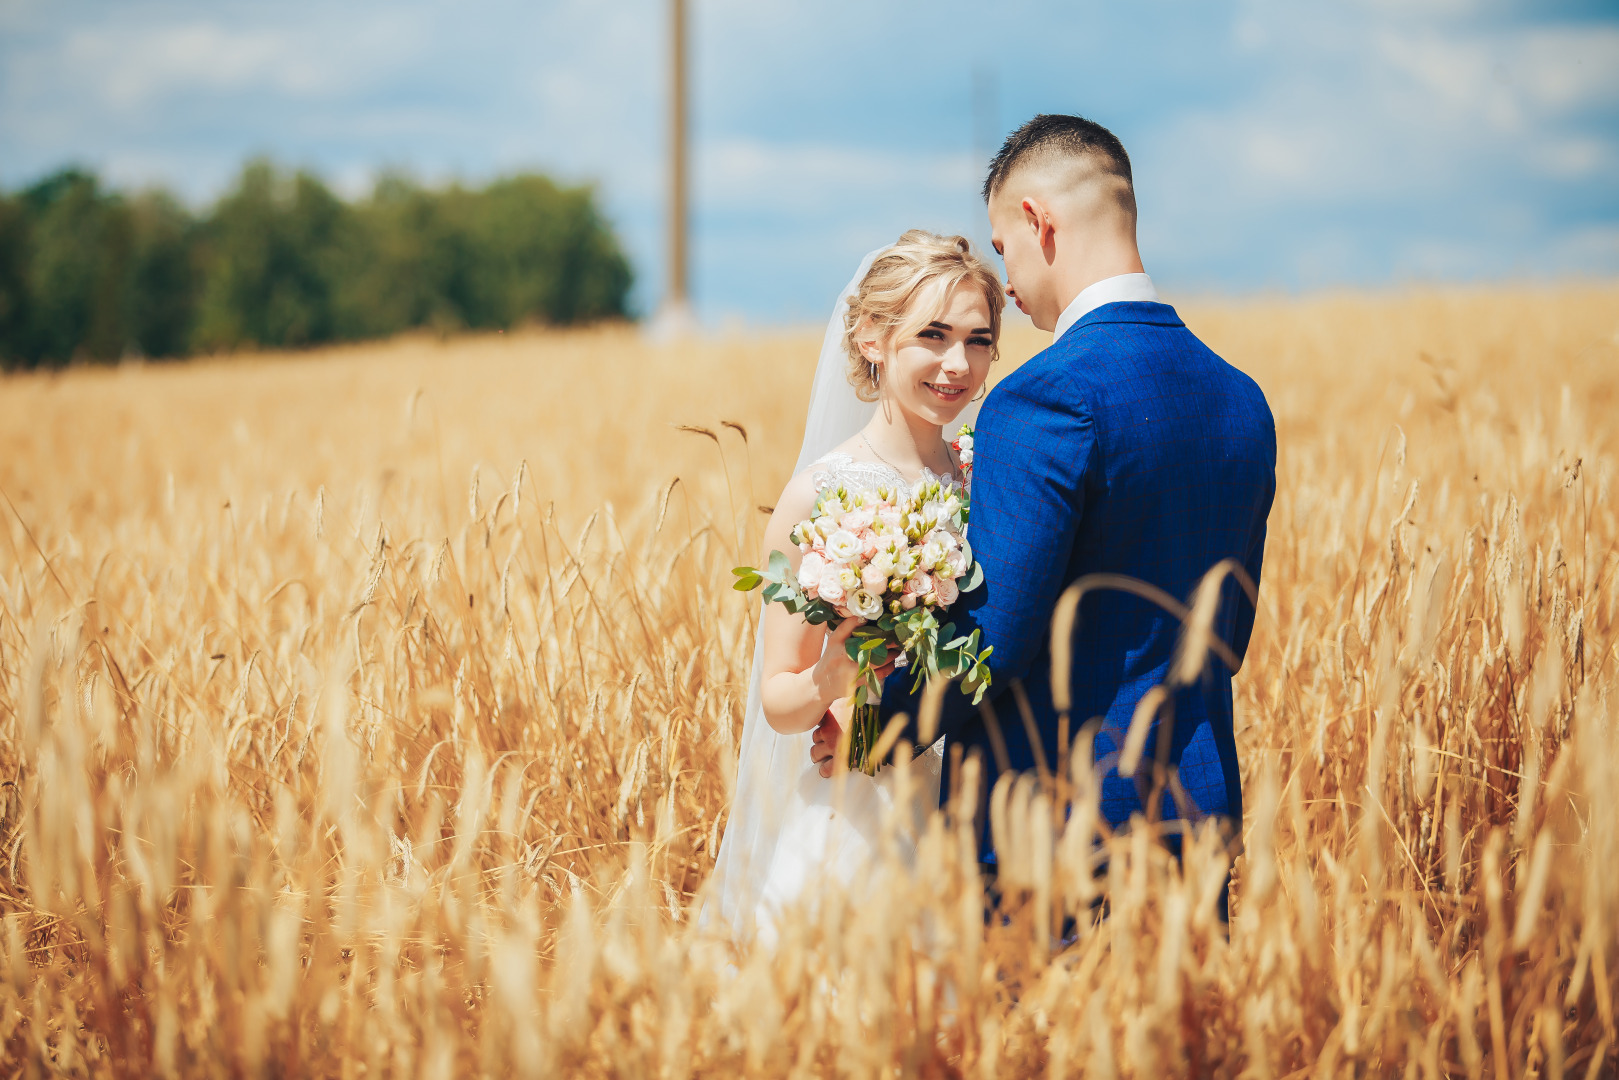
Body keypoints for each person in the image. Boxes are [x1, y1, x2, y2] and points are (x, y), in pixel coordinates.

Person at [810, 114, 1277, 918]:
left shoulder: (1043, 397)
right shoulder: (1241, 398)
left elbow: (998, 636)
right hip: (1197, 821)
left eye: (1001, 248)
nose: (1008, 278)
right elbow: (1226, 628)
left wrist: (868, 731)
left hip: (1055, 836)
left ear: (1036, 220)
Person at [707, 231, 1005, 943]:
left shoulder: (997, 483)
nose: (956, 364)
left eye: (978, 339)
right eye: (931, 335)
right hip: (861, 808)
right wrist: (830, 678)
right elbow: (777, 701)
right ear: (872, 338)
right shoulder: (820, 495)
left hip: (982, 808)